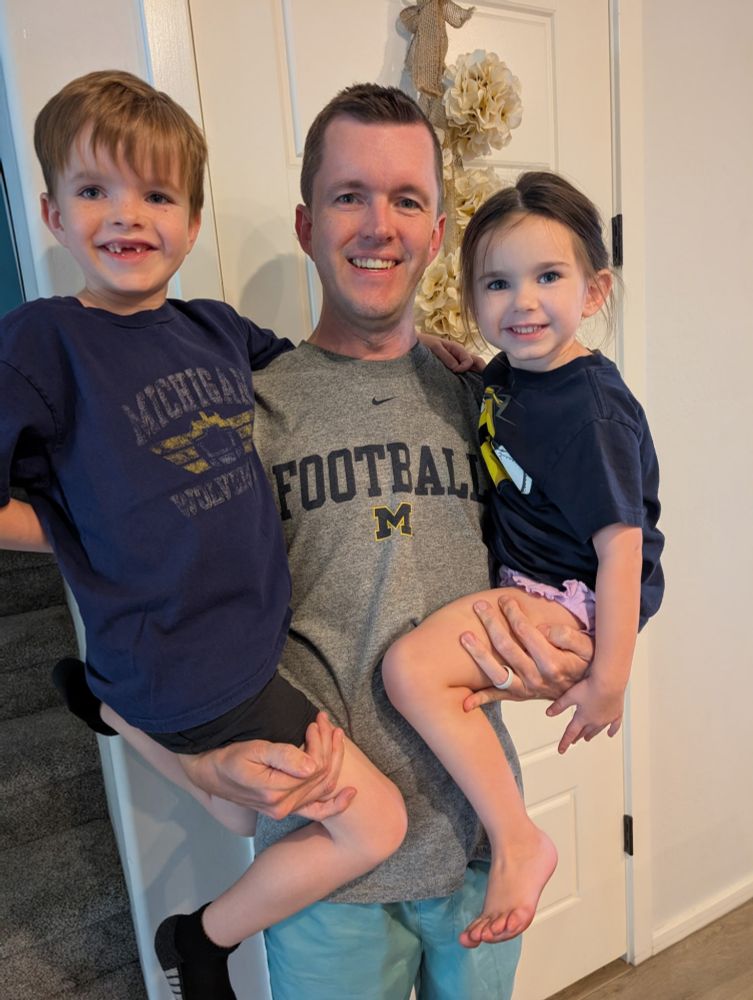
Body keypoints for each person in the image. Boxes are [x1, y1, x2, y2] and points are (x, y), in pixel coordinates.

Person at [0, 70, 419, 1000]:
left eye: (158, 194)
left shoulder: (214, 329)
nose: (129, 215)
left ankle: (110, 709)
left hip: (236, 638)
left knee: (237, 815)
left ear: (191, 220)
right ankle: (202, 939)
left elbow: (320, 376)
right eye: (95, 190)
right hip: (189, 658)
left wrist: (433, 350)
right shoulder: (40, 344)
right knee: (374, 825)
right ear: (52, 213)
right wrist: (79, 533)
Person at [192, 85, 596, 999]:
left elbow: (583, 552)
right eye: (349, 196)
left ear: (439, 228)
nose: (379, 226)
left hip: (478, 850)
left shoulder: (492, 400)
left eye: (406, 199)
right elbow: (161, 601)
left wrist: (574, 660)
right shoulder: (248, 411)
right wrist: (192, 761)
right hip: (325, 860)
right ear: (306, 222)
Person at [383, 171, 664, 946]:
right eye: (497, 283)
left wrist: (609, 678)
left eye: (548, 277)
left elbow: (622, 549)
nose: (522, 302)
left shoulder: (590, 411)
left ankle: (518, 840)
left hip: (570, 595)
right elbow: (490, 403)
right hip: (530, 581)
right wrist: (440, 354)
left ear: (594, 289)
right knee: (450, 692)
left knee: (410, 672)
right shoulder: (510, 376)